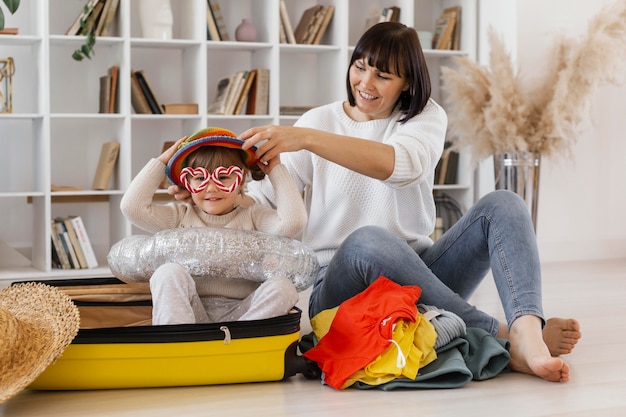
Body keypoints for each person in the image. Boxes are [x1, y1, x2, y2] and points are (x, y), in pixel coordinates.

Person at [171, 22, 581, 382]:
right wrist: (207, 194)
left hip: (421, 277)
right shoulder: (318, 120)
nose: (365, 82)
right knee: (368, 241)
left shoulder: (423, 118)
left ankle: (528, 328)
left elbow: (400, 166)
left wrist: (307, 139)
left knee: (504, 202)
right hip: (336, 285)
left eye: (383, 75)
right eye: (359, 67)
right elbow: (261, 201)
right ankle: (501, 334)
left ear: (407, 82)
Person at [121, 127, 307, 325]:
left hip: (243, 316)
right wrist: (162, 161)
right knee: (167, 272)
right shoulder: (180, 217)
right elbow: (133, 207)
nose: (211, 188)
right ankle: (177, 348)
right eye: (200, 178)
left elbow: (292, 223)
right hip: (189, 314)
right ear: (187, 183)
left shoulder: (253, 216)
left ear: (240, 179)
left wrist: (275, 169)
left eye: (224, 177)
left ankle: (237, 348)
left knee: (283, 287)